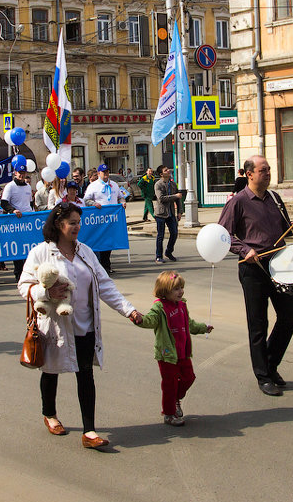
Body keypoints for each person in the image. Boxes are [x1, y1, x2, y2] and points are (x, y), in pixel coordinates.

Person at [20, 202, 142, 449]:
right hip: (56, 325)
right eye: (72, 223)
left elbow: (105, 285)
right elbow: (24, 286)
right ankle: (50, 413)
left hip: (86, 326)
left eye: (79, 222)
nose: (77, 227)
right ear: (58, 224)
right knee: (50, 370)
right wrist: (45, 290)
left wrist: (129, 310)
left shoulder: (85, 252)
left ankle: (89, 431)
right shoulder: (41, 252)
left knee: (86, 375)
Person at [216, 155, 293, 396]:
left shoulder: (274, 198)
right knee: (258, 324)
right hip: (253, 269)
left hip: (280, 266)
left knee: (289, 317)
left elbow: (283, 226)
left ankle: (270, 364)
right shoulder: (238, 202)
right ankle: (263, 376)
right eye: (263, 170)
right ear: (250, 174)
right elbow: (223, 235)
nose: (268, 173)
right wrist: (246, 250)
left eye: (269, 169)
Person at [136, 271, 212, 426]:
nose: (181, 291)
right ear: (164, 291)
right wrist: (139, 319)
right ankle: (169, 413)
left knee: (189, 377)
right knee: (169, 383)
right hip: (167, 354)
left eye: (181, 287)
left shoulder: (182, 305)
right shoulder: (159, 307)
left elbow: (189, 324)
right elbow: (150, 321)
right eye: (176, 289)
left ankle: (176, 398)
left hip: (183, 351)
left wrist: (203, 328)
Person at [83, 164, 126, 274]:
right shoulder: (93, 186)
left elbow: (120, 196)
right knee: (100, 242)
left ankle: (107, 265)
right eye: (103, 172)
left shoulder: (114, 185)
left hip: (111, 219)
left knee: (109, 242)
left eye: (107, 172)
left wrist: (122, 202)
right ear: (98, 174)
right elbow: (86, 200)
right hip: (99, 219)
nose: (106, 174)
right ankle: (100, 266)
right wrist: (94, 204)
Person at [0, 165, 32, 283]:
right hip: (16, 221)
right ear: (15, 173)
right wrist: (13, 210)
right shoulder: (10, 186)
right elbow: (4, 203)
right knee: (18, 248)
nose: (21, 175)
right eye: (19, 172)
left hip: (27, 220)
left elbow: (29, 203)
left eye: (23, 173)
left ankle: (28, 271)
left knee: (28, 247)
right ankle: (18, 273)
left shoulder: (28, 187)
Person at [152, 165, 182, 264]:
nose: (168, 171)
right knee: (160, 235)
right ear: (161, 174)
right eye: (166, 170)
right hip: (161, 213)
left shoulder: (173, 184)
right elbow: (161, 198)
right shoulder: (158, 184)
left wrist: (179, 212)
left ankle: (169, 252)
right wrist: (175, 196)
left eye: (168, 169)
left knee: (174, 233)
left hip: (171, 213)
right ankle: (158, 256)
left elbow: (178, 199)